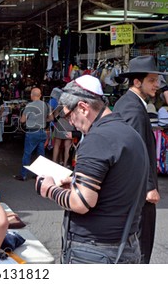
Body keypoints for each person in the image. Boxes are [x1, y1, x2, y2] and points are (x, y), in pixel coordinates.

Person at [36, 75, 148, 264]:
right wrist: (75, 183)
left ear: (83, 107)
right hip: (126, 244)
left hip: (94, 252)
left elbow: (81, 202)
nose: (69, 121)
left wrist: (49, 189)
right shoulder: (130, 133)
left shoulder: (97, 139)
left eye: (68, 114)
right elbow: (114, 186)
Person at [113, 55, 163, 264]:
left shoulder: (129, 103)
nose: (157, 85)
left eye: (157, 80)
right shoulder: (132, 108)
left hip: (132, 190)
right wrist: (149, 187)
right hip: (138, 192)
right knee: (141, 245)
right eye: (152, 80)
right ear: (137, 82)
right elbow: (135, 153)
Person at [14, 87, 53, 181]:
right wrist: (44, 120)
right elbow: (51, 118)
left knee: (27, 153)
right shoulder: (47, 105)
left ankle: (23, 175)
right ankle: (41, 175)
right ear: (40, 95)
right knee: (41, 155)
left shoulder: (29, 106)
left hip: (32, 132)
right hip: (42, 132)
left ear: (32, 95)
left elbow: (23, 120)